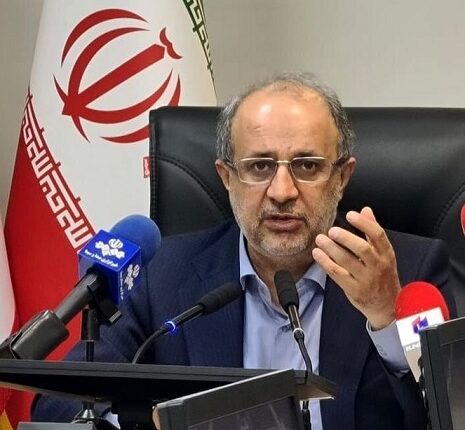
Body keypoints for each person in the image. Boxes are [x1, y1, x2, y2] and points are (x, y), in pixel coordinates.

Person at [32, 73, 456, 430]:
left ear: (342, 177)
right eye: (259, 167)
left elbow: (448, 417)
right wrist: (151, 421)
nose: (282, 192)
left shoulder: (410, 271)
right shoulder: (165, 274)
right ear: (227, 177)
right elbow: (58, 405)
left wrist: (386, 319)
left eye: (307, 165)